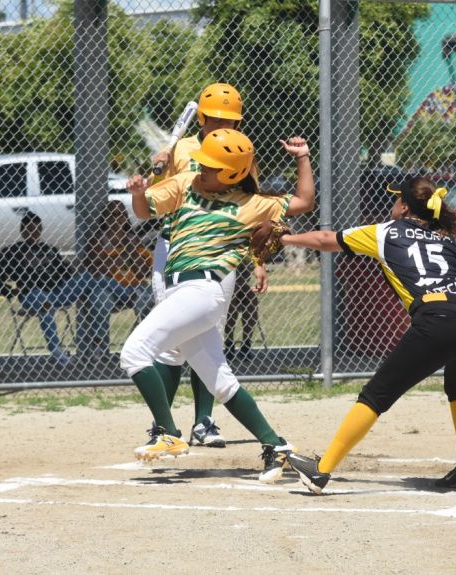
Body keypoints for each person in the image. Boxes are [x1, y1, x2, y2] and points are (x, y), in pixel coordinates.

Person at [277, 176, 456, 494]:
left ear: (404, 207)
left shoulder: (386, 232)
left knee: (376, 395)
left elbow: (326, 240)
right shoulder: (453, 244)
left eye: (397, 199)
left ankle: (320, 472)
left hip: (438, 320)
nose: (392, 204)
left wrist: (286, 239)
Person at [121, 128, 314, 484]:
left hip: (202, 290)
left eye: (211, 166)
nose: (202, 169)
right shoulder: (186, 184)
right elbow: (145, 210)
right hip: (183, 293)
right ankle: (276, 446)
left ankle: (168, 432)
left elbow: (304, 201)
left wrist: (302, 157)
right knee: (220, 382)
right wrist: (137, 193)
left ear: (232, 174)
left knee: (134, 353)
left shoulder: (251, 203)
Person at [146, 82, 258, 448]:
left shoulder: (242, 150)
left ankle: (204, 422)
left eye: (232, 120)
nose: (225, 125)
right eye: (217, 119)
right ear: (202, 118)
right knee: (170, 334)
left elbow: (251, 205)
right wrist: (157, 171)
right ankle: (163, 427)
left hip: (219, 250)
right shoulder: (180, 148)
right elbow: (154, 198)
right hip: (176, 247)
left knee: (211, 332)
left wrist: (258, 259)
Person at [0, 211, 111, 365]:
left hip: (57, 293)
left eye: (37, 229)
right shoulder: (12, 252)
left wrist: (78, 278)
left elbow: (67, 274)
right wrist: (10, 291)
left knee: (91, 277)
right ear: (22, 230)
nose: (34, 233)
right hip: (32, 295)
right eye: (29, 229)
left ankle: (125, 297)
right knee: (43, 301)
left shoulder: (49, 250)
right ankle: (57, 352)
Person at [223, 259, 259, 359]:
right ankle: (229, 344)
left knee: (251, 299)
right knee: (232, 301)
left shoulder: (245, 253)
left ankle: (246, 345)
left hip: (241, 284)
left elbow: (247, 273)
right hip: (223, 285)